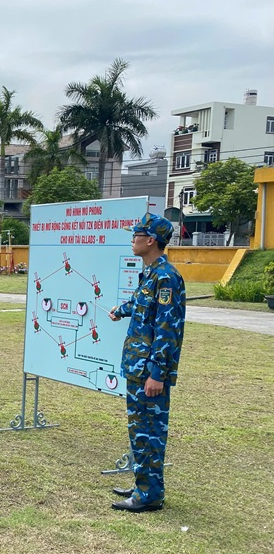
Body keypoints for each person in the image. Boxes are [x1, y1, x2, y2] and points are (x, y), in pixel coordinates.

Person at [109, 212, 186, 513]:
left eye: (136, 235)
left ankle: (149, 496)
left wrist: (157, 373)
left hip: (149, 372)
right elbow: (143, 307)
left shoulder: (166, 277)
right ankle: (145, 485)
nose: (133, 239)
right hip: (138, 366)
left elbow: (168, 330)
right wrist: (121, 310)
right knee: (139, 430)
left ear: (150, 240)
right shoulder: (152, 274)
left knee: (150, 432)